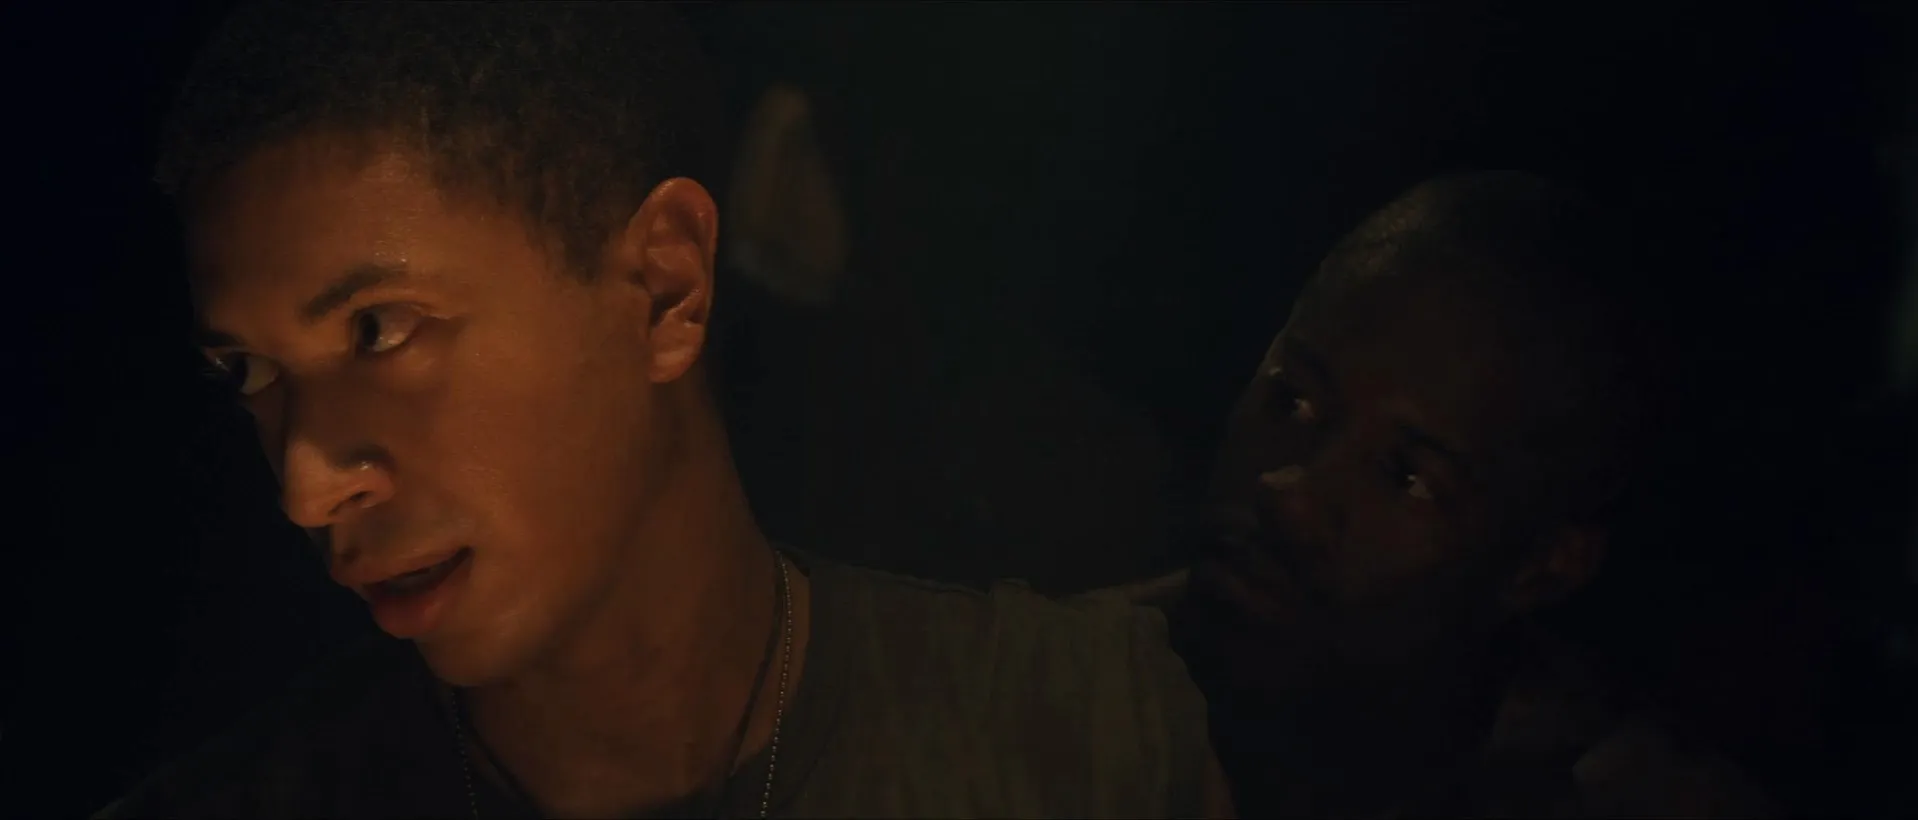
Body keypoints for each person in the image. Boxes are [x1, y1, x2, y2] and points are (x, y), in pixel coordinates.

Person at [99, 4, 1217, 818]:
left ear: (662, 288)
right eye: (250, 372)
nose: (305, 482)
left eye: (380, 331)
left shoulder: (1070, 734)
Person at [1153, 172, 1777, 817]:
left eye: (1409, 479)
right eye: (1293, 400)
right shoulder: (1095, 673)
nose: (1290, 498)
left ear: (1544, 568)